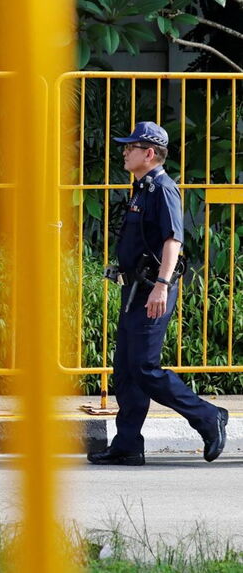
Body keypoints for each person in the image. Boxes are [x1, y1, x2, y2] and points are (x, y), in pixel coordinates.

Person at [88, 121, 228, 466]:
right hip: (136, 288)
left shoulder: (163, 188)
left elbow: (173, 241)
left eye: (131, 147)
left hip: (153, 288)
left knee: (145, 368)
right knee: (125, 370)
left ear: (149, 153)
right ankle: (128, 445)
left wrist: (162, 285)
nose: (125, 151)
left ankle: (209, 417)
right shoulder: (142, 187)